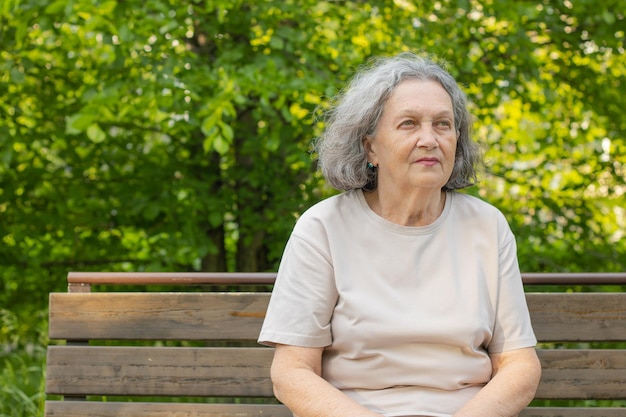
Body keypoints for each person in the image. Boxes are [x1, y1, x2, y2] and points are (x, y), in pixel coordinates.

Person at [258, 52, 541, 417]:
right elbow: (291, 372)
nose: (429, 139)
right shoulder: (323, 228)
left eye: (442, 124)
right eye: (408, 124)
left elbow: (519, 365)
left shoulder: (486, 226)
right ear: (370, 146)